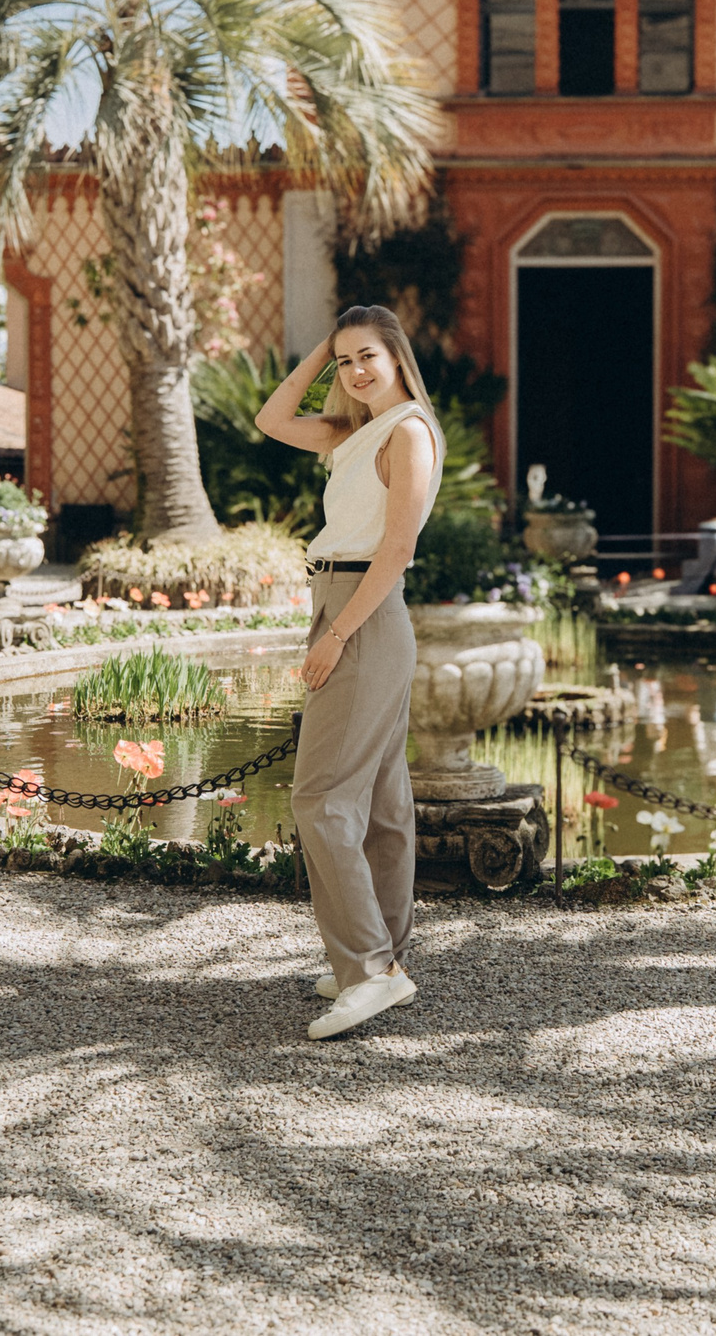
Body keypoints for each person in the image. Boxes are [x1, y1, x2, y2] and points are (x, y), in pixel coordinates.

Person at [253, 305, 443, 1039]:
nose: (358, 371)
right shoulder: (354, 431)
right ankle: (374, 955)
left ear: (397, 353)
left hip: (362, 609)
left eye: (369, 355)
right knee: (381, 800)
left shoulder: (409, 432)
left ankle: (371, 971)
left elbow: (395, 550)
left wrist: (334, 634)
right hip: (344, 600)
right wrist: (317, 353)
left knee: (321, 796)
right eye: (346, 362)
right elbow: (273, 419)